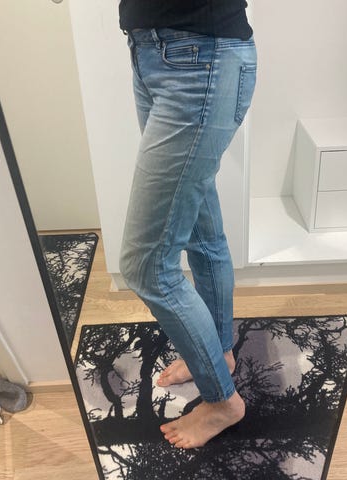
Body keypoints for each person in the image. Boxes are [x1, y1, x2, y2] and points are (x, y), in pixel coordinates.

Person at [118, 0, 257, 449]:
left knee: (147, 268)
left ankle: (222, 402)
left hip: (198, 62)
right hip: (155, 54)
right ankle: (219, 355)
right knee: (201, 232)